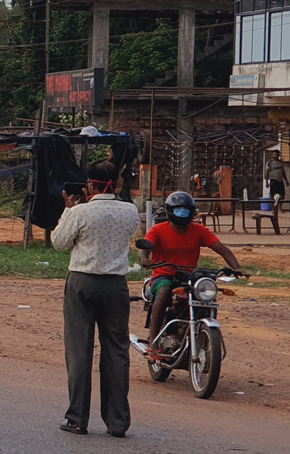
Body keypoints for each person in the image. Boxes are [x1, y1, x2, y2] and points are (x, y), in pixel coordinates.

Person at [50, 168, 139, 437]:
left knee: (79, 350)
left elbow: (59, 243)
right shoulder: (130, 211)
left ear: (90, 184)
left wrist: (67, 211)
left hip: (82, 282)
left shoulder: (80, 212)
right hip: (115, 284)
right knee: (116, 351)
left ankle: (77, 418)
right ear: (116, 184)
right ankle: (117, 422)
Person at [137, 191, 247, 349]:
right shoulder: (158, 230)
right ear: (169, 211)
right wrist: (144, 259)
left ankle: (203, 340)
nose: (182, 214)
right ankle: (153, 340)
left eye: (185, 210)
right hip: (164, 276)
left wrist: (237, 267)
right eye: (178, 210)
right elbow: (144, 249)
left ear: (192, 212)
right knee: (164, 292)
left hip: (189, 277)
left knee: (208, 299)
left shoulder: (199, 230)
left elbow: (222, 249)